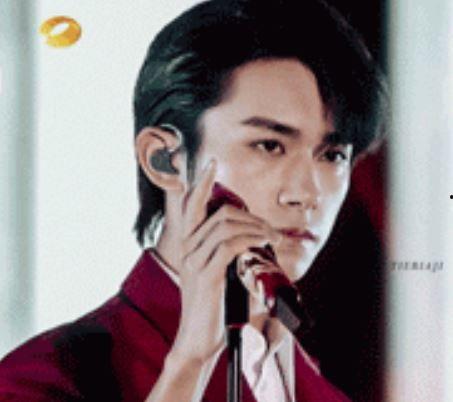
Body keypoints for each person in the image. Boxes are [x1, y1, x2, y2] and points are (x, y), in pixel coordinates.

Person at [0, 0, 387, 401]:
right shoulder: (44, 378)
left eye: (332, 155)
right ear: (163, 159)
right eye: (269, 145)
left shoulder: (319, 389)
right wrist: (190, 362)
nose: (306, 194)